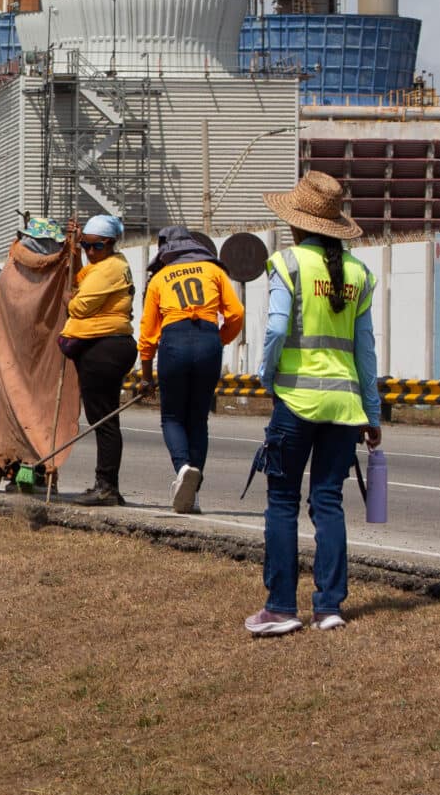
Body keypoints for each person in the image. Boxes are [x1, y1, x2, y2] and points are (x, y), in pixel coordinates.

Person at [247, 171, 382, 637]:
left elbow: (276, 329)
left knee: (282, 501)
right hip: (346, 408)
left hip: (297, 401)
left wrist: (267, 376)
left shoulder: (286, 264)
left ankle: (281, 608)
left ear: (296, 223)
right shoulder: (360, 275)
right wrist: (373, 412)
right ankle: (329, 607)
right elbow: (366, 352)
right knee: (328, 502)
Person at [138, 226, 244, 516]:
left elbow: (147, 334)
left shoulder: (159, 279)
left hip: (174, 342)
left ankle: (182, 468)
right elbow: (236, 314)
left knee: (172, 416)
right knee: (198, 419)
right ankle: (193, 495)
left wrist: (146, 376)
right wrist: (216, 340)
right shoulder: (213, 271)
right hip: (208, 340)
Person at [60, 214, 136, 506]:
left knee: (104, 420)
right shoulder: (106, 266)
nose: (91, 252)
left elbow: (80, 306)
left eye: (97, 246)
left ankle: (106, 486)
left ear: (111, 244)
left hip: (104, 347)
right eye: (86, 245)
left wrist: (69, 300)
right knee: (103, 418)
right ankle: (106, 484)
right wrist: (74, 249)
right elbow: (81, 277)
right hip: (107, 346)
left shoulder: (109, 269)